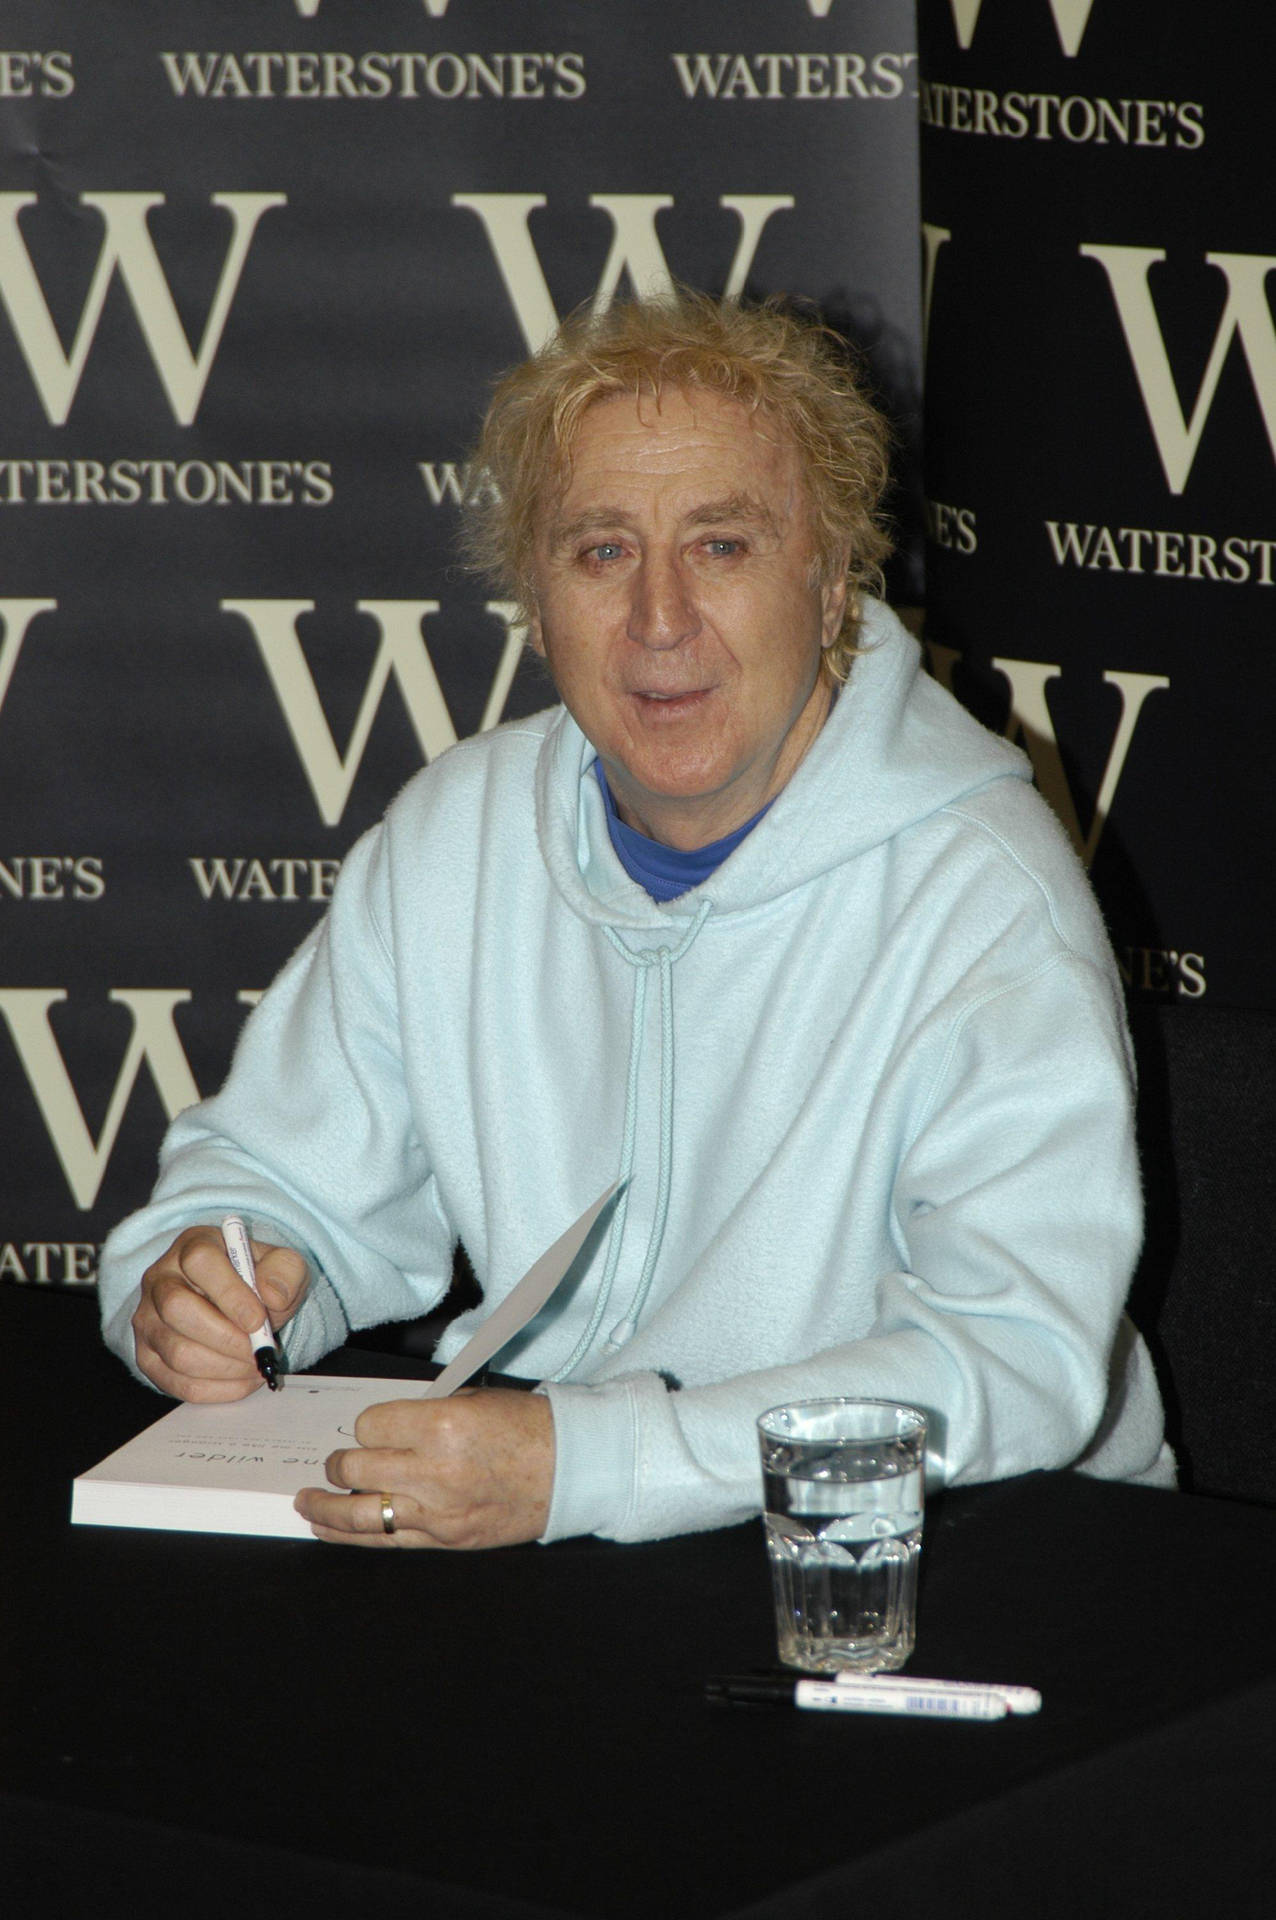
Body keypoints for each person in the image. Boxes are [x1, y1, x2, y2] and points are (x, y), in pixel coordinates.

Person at [97, 290, 1173, 1549]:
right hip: (568, 1517)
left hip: (977, 1546)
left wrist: (593, 1463)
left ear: (830, 584)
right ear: (533, 600)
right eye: (602, 551)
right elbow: (276, 1185)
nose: (660, 620)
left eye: (722, 546)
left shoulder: (984, 893)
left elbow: (1013, 1362)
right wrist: (218, 1280)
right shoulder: (456, 837)